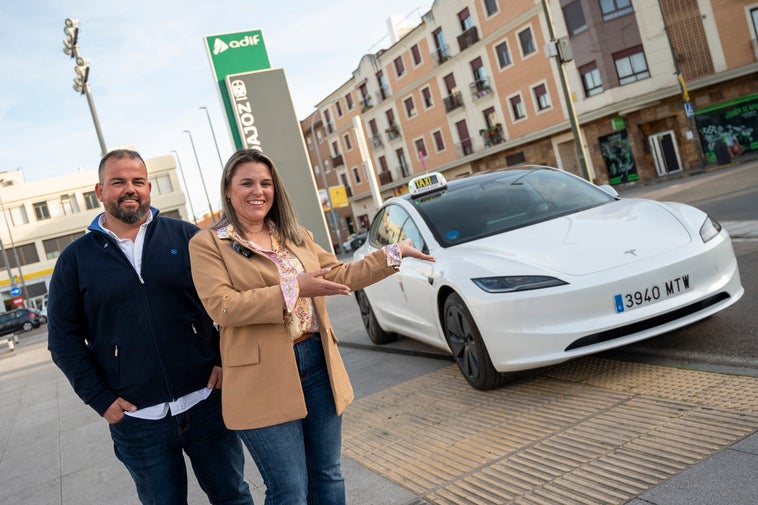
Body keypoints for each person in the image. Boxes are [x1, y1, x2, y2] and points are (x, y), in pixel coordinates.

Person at [188, 149, 435, 504]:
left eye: (265, 183)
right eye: (247, 183)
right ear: (228, 189)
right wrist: (293, 288)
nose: (258, 191)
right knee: (289, 489)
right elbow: (223, 307)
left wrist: (392, 254)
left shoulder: (294, 235)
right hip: (261, 376)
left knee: (328, 475)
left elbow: (340, 274)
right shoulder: (209, 243)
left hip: (316, 361)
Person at [47, 149, 254, 505]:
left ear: (149, 187)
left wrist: (222, 358)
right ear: (100, 191)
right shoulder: (75, 260)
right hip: (138, 421)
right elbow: (62, 340)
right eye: (118, 182)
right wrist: (100, 399)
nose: (130, 189)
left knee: (233, 496)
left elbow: (226, 302)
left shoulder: (187, 237)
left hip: (206, 402)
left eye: (137, 181)